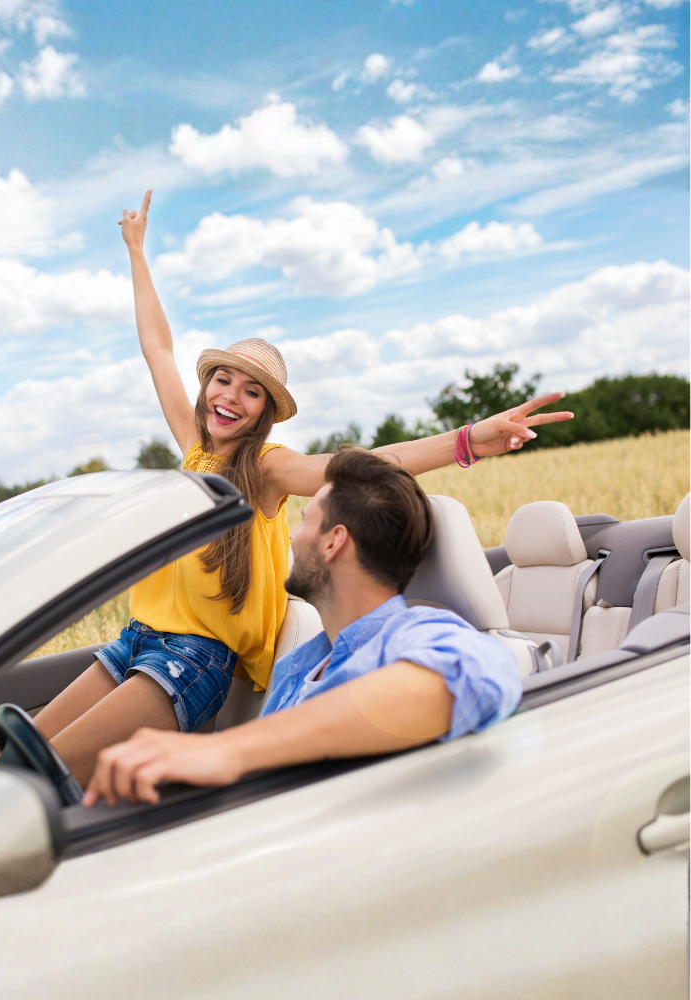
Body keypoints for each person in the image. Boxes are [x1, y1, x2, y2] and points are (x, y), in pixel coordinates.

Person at [34, 190, 570, 788]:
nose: (229, 396)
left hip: (190, 660)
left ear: (265, 411)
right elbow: (157, 348)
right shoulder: (193, 445)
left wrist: (469, 439)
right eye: (222, 379)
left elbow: (365, 464)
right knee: (20, 762)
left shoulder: (268, 468)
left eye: (250, 391)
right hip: (138, 638)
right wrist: (136, 250)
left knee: (44, 780)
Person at [82, 448, 522, 806]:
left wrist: (227, 750)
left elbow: (479, 672)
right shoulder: (298, 666)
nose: (291, 536)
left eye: (306, 520)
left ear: (334, 542)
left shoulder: (413, 633)